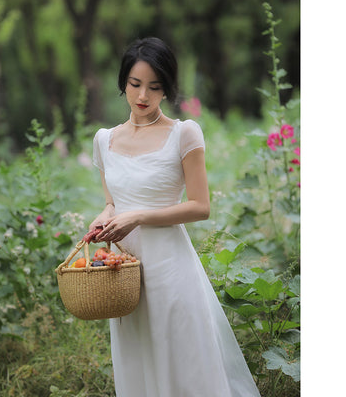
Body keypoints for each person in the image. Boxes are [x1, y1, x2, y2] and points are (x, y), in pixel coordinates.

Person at [89, 37, 260, 397]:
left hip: (170, 268)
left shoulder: (184, 133)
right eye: (135, 84)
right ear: (123, 83)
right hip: (124, 275)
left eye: (155, 86)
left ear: (167, 88)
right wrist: (105, 216)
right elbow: (111, 200)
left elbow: (201, 206)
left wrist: (137, 216)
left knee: (183, 363)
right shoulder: (105, 139)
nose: (143, 96)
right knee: (139, 361)